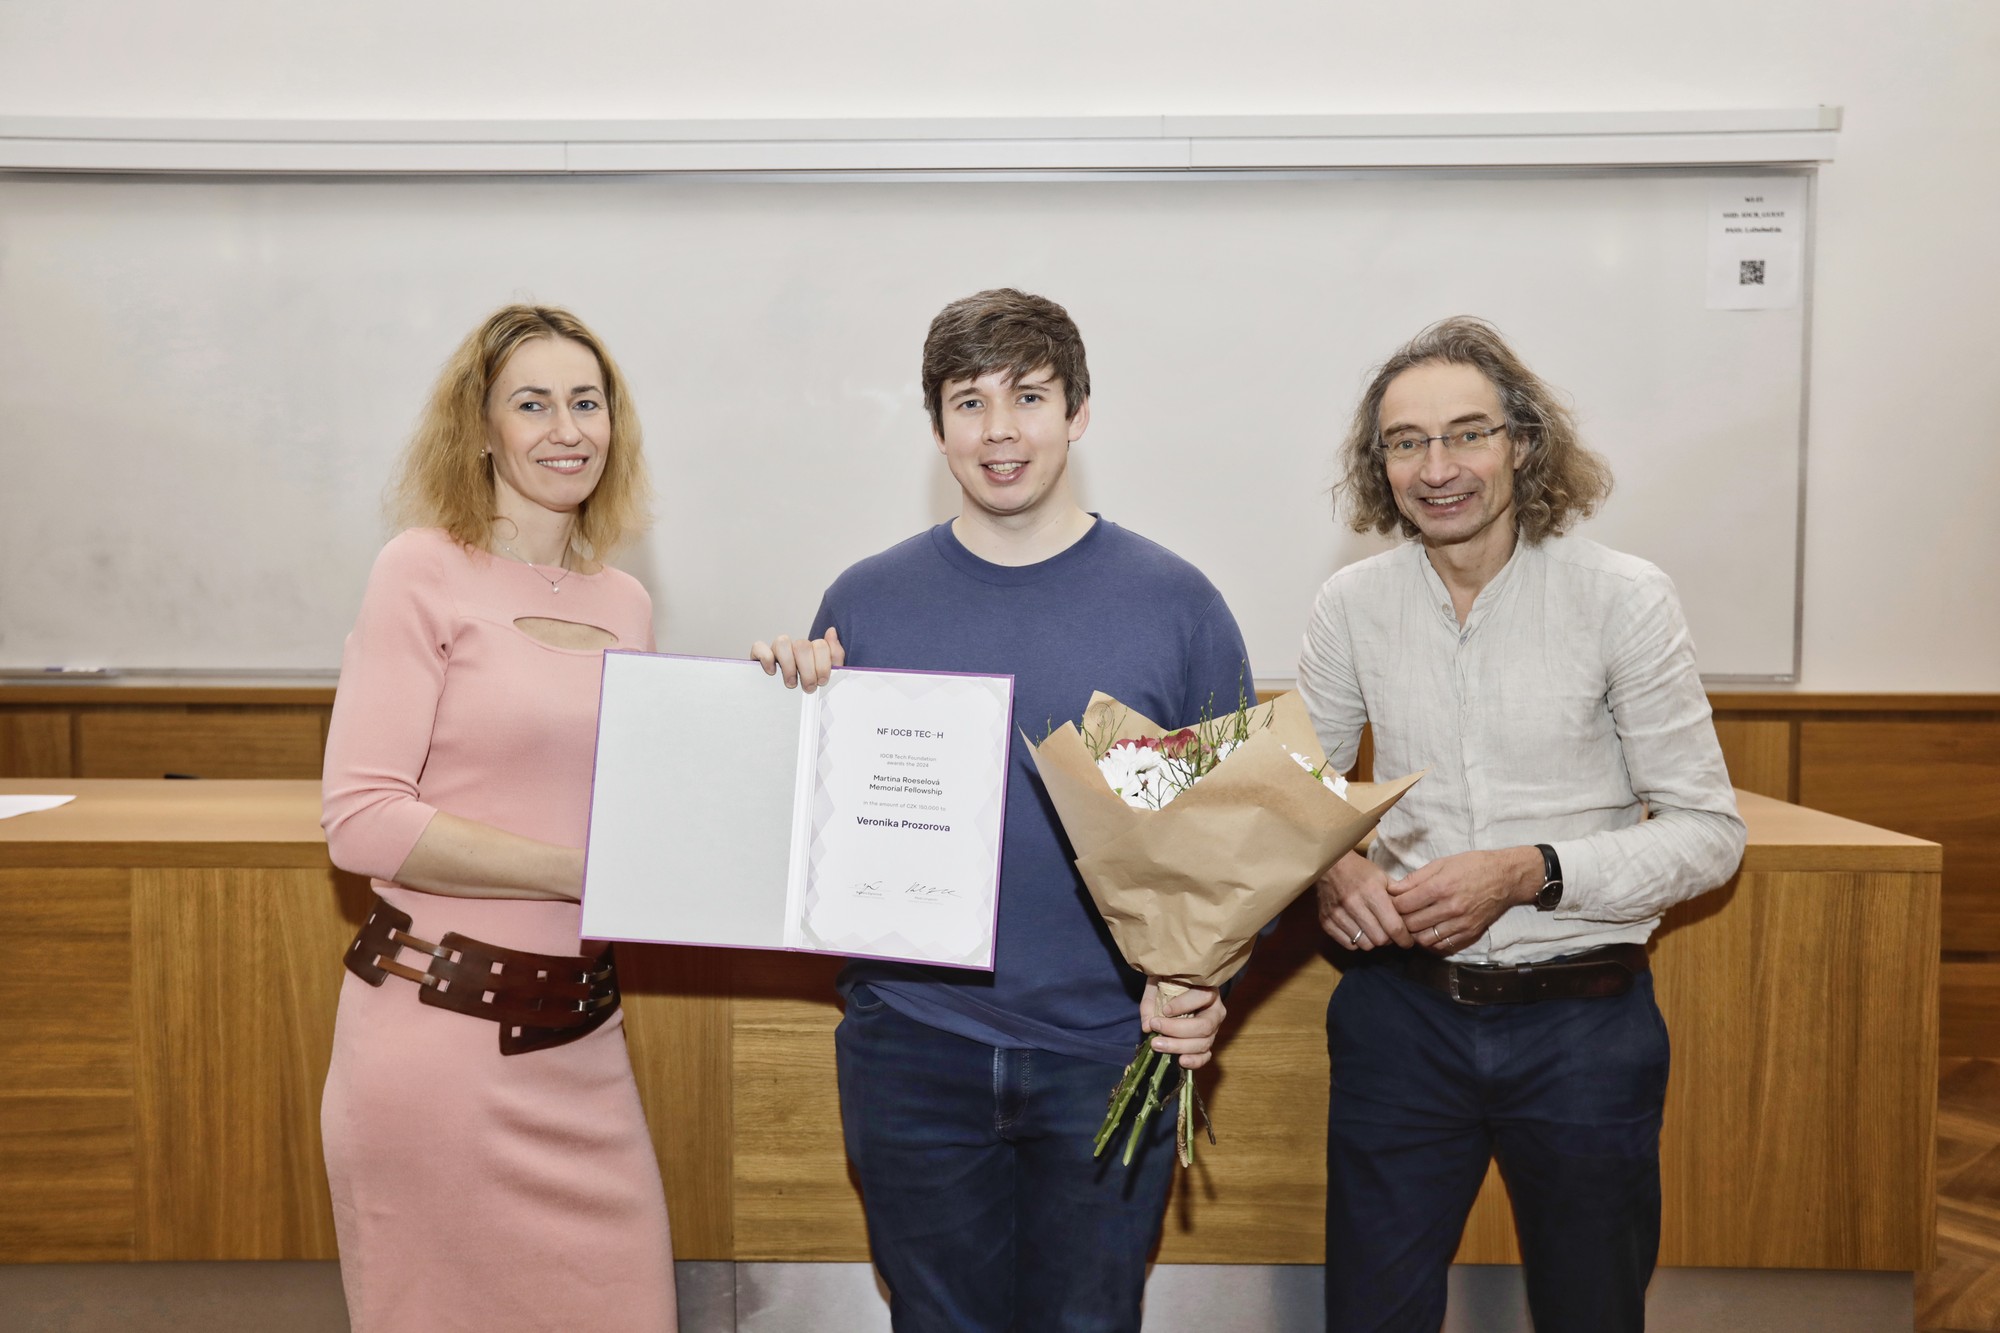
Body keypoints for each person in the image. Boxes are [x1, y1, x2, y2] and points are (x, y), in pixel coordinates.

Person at [753, 288, 1246, 1333]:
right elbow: (806, 831)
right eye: (968, 402)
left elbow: (1240, 841)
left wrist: (1203, 980)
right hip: (912, 1048)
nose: (999, 430)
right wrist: (779, 707)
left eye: (1027, 396)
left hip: (1107, 1049)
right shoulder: (865, 602)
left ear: (1076, 411)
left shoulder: (1176, 604)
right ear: (935, 428)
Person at [1298, 316, 1747, 1333]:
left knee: (1590, 1310)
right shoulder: (1350, 605)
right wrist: (1331, 869)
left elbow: (1707, 834)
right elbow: (1303, 798)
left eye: (1466, 433)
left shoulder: (1621, 599)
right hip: (1396, 1021)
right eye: (1405, 442)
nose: (1436, 466)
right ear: (1379, 464)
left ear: (1522, 444)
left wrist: (1527, 871)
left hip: (1582, 1025)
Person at [320, 305, 676, 1331]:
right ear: (480, 429)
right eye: (532, 403)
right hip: (437, 1046)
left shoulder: (626, 601)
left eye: (586, 401)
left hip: (582, 1041)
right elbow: (363, 821)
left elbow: (648, 807)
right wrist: (580, 871)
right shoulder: (418, 569)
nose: (566, 428)